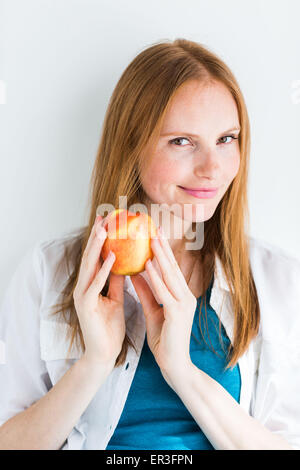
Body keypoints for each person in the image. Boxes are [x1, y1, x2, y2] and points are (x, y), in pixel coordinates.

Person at [0, 38, 299, 451]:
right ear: (131, 145)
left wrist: (182, 371)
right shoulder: (47, 271)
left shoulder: (280, 279)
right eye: (182, 141)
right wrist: (94, 363)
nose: (213, 168)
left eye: (227, 139)